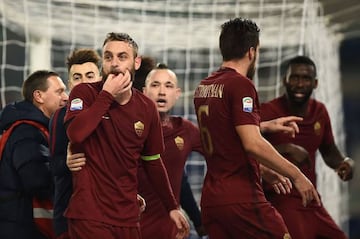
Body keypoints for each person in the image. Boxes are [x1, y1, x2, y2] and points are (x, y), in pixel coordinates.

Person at [193, 17, 320, 239]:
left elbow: (224, 137)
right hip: (243, 200)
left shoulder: (204, 87)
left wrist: (263, 165)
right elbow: (252, 144)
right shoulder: (241, 84)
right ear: (252, 52)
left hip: (212, 202)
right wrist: (297, 175)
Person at [63, 32, 189, 239]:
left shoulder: (146, 107)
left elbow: (153, 162)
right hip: (90, 215)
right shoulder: (84, 93)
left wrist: (172, 207)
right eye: (108, 57)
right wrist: (107, 95)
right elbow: (76, 134)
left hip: (128, 216)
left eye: (122, 57)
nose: (114, 63)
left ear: (136, 63)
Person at [260, 55, 354, 239]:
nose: (300, 84)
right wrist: (285, 148)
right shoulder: (268, 112)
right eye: (294, 78)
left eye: (306, 79)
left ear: (315, 83)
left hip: (311, 199)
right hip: (281, 200)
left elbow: (329, 151)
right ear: (284, 81)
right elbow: (246, 148)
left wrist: (345, 163)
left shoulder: (320, 112)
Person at [137, 63, 206, 238]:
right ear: (144, 92)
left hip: (171, 231)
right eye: (155, 85)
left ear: (177, 94)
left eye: (168, 86)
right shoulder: (131, 129)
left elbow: (220, 153)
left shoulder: (185, 130)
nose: (162, 91)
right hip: (132, 229)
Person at [0, 70, 68, 239]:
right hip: (21, 228)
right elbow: (38, 180)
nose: (66, 97)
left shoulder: (33, 128)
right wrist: (67, 166)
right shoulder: (27, 132)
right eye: (59, 91)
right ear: (39, 96)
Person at [49, 49, 101, 239]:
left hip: (110, 215)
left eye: (90, 76)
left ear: (100, 78)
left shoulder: (113, 113)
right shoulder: (61, 117)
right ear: (70, 83)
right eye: (77, 77)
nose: (84, 82)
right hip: (71, 218)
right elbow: (53, 165)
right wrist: (67, 163)